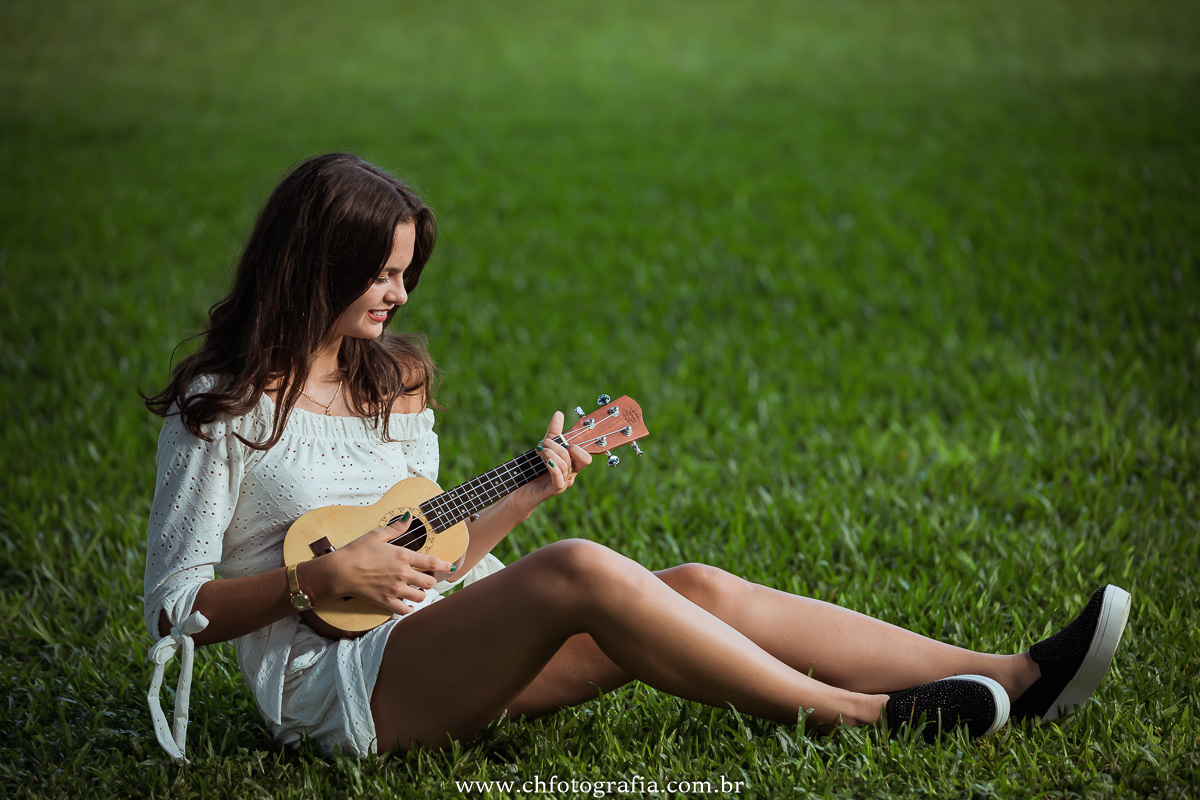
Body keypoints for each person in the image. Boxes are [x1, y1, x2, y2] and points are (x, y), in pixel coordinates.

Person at [142, 152, 1131, 763]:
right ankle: (869, 714)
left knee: (696, 582)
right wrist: (317, 577)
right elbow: (171, 605)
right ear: (319, 259)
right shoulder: (220, 405)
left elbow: (431, 551)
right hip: (339, 690)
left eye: (408, 272)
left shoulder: (391, 379)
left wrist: (532, 482)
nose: (400, 294)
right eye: (384, 271)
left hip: (447, 642)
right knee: (579, 567)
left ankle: (1017, 673)